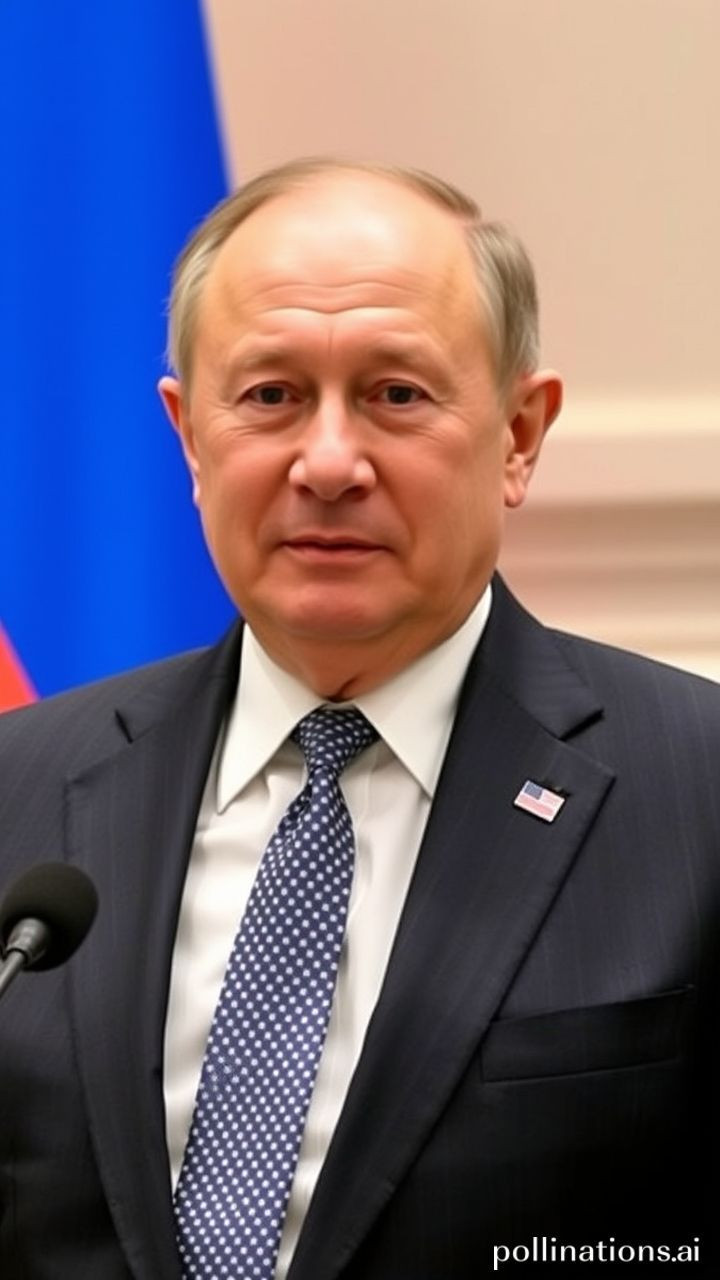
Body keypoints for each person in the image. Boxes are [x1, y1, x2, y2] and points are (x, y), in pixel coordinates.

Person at [0, 158, 718, 1280]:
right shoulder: (19, 788)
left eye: (396, 394)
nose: (329, 463)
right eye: (271, 396)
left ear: (519, 433)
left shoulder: (698, 792)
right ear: (190, 436)